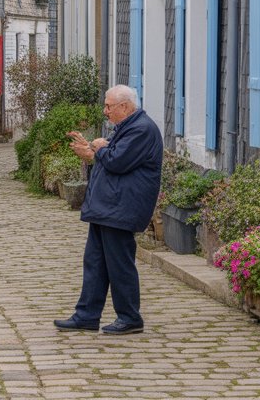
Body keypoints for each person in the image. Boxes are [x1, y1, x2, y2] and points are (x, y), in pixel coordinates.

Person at [54, 84, 163, 336]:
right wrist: (92, 152)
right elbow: (112, 160)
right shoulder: (128, 127)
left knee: (119, 265)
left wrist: (100, 147)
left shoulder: (141, 130)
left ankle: (130, 317)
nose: (105, 111)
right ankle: (86, 315)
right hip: (108, 207)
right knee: (95, 262)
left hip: (121, 208)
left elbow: (117, 161)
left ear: (124, 107)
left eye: (109, 106)